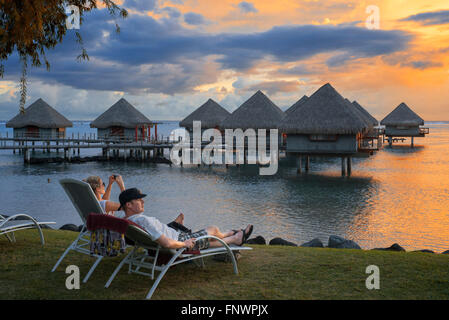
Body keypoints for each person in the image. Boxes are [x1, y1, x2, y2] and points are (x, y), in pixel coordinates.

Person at [118, 188, 253, 250]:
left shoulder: (128, 221)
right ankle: (234, 236)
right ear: (129, 205)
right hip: (179, 241)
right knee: (213, 229)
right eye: (139, 199)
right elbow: (167, 244)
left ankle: (232, 234)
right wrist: (185, 244)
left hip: (177, 237)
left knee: (209, 240)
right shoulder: (143, 221)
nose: (143, 202)